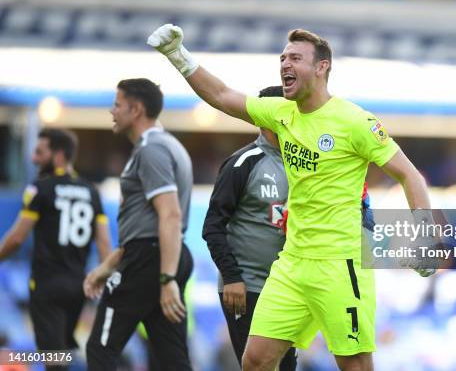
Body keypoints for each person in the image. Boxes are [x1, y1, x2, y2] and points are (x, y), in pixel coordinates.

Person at [149, 24, 434, 371]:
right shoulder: (282, 113)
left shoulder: (356, 121)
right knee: (254, 361)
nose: (285, 64)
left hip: (340, 265)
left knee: (355, 365)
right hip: (292, 264)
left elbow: (410, 175)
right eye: (283, 58)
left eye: (295, 58)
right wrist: (179, 56)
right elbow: (222, 95)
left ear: (321, 67)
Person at [84, 78, 194, 371]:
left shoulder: (151, 150)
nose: (112, 111)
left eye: (117, 105)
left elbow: (169, 215)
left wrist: (166, 278)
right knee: (172, 360)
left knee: (99, 350)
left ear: (136, 110)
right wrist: (106, 267)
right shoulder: (170, 145)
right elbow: (145, 221)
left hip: (150, 260)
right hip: (162, 256)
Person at [0, 128, 111, 370]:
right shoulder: (92, 192)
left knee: (53, 360)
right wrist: (108, 279)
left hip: (47, 285)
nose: (34, 159)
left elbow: (17, 238)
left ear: (59, 155)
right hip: (78, 287)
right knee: (63, 354)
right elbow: (103, 243)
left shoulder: (40, 189)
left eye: (40, 152)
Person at [204, 85, 297, 370]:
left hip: (287, 289)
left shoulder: (301, 164)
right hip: (247, 287)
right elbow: (212, 227)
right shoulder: (243, 163)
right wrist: (232, 277)